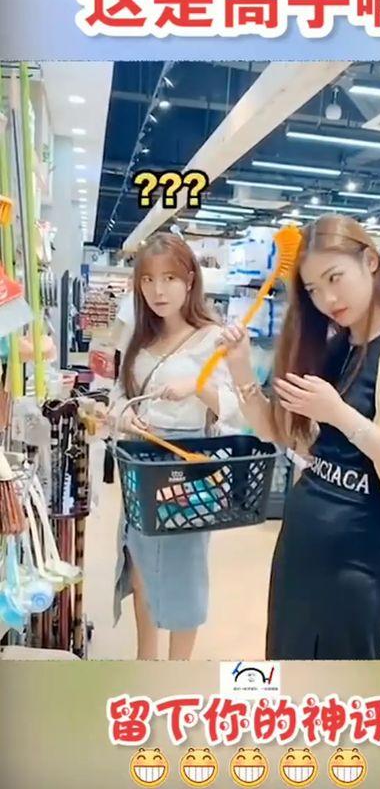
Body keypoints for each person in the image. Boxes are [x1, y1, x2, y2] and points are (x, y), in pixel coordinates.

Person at [220, 214, 380, 660]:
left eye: (334, 278)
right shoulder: (338, 344)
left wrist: (339, 414)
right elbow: (281, 433)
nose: (327, 299)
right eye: (313, 289)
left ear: (370, 261)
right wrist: (241, 368)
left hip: (355, 553)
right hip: (300, 540)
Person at [109, 232, 241, 661]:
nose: (158, 290)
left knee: (184, 570)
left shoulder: (213, 338)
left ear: (189, 281)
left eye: (169, 278)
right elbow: (116, 397)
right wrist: (124, 416)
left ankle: (177, 672)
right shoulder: (139, 337)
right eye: (148, 280)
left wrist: (197, 387)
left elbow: (237, 408)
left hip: (189, 467)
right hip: (141, 463)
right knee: (140, 564)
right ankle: (146, 663)